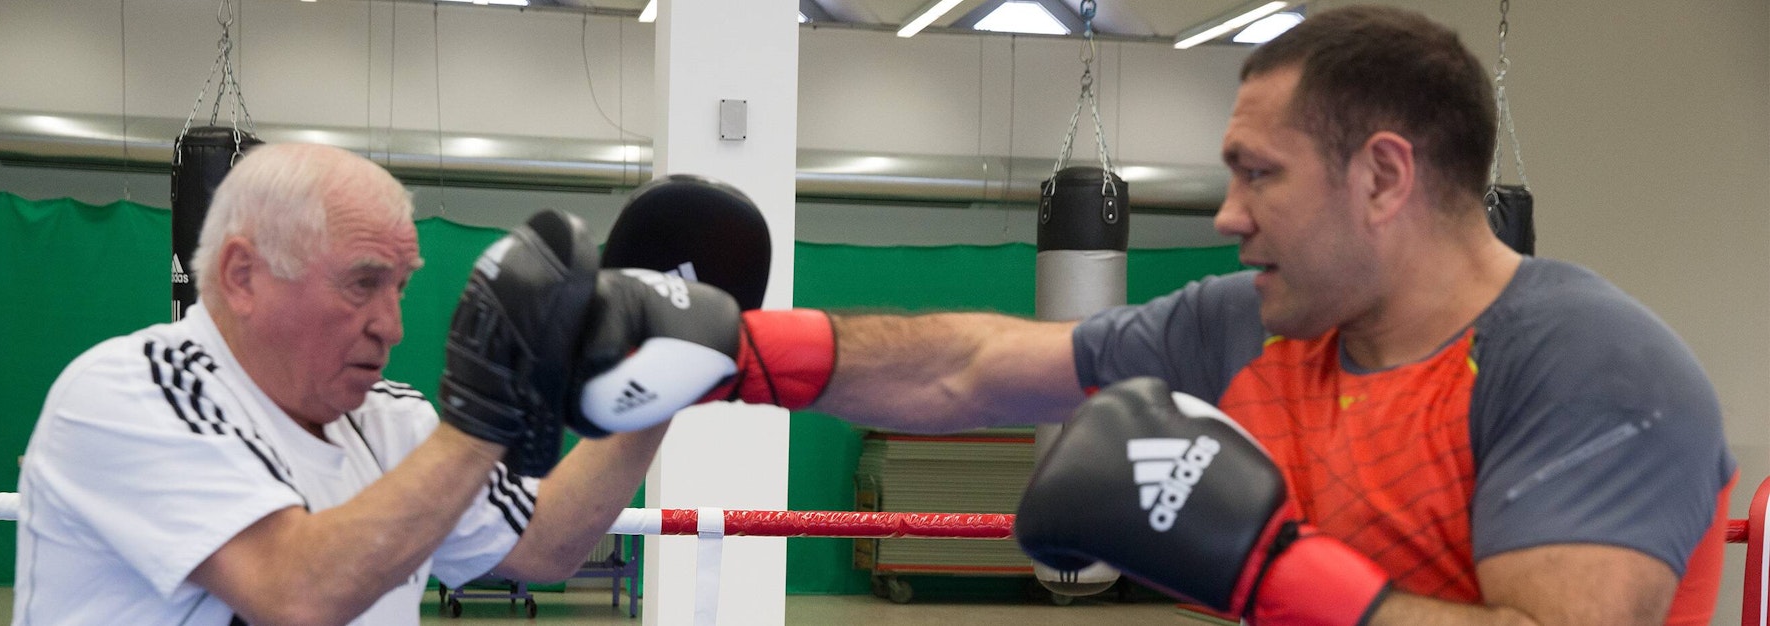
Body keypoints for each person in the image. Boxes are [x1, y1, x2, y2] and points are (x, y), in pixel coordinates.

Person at [551, 6, 1734, 625]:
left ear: (1383, 176)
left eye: (1257, 173)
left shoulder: (1587, 366)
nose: (1224, 213)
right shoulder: (1251, 324)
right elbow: (969, 367)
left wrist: (1274, 572)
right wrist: (728, 347)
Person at [12, 143, 663, 626]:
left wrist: (655, 384)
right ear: (243, 276)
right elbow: (293, 591)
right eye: (363, 284)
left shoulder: (395, 425)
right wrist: (482, 420)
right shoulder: (129, 393)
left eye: (400, 287)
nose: (393, 326)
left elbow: (546, 547)